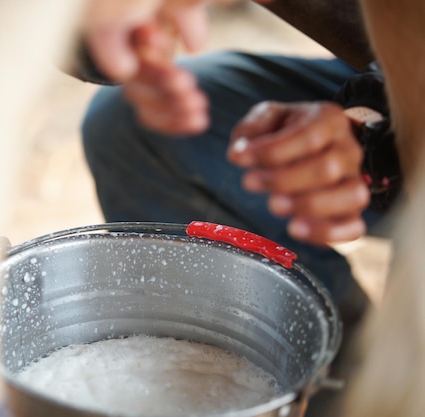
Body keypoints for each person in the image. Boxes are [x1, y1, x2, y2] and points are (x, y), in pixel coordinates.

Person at [79, 0, 392, 321]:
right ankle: (326, 341)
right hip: (379, 67)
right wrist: (101, 23)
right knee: (128, 125)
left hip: (404, 92)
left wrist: (375, 129)